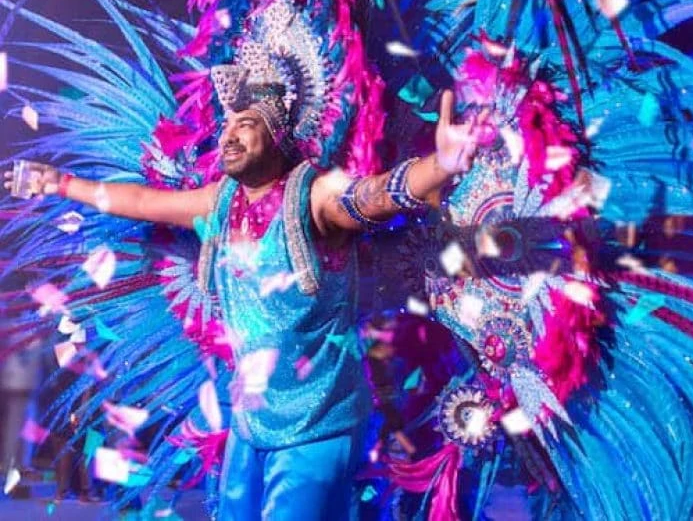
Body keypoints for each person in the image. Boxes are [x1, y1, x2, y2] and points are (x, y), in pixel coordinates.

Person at [4, 85, 491, 519]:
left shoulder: (313, 195)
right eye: (225, 127)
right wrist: (61, 184)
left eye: (246, 124)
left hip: (317, 426)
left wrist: (440, 166)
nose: (229, 136)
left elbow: (373, 196)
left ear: (278, 136)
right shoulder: (220, 201)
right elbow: (141, 202)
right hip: (250, 424)